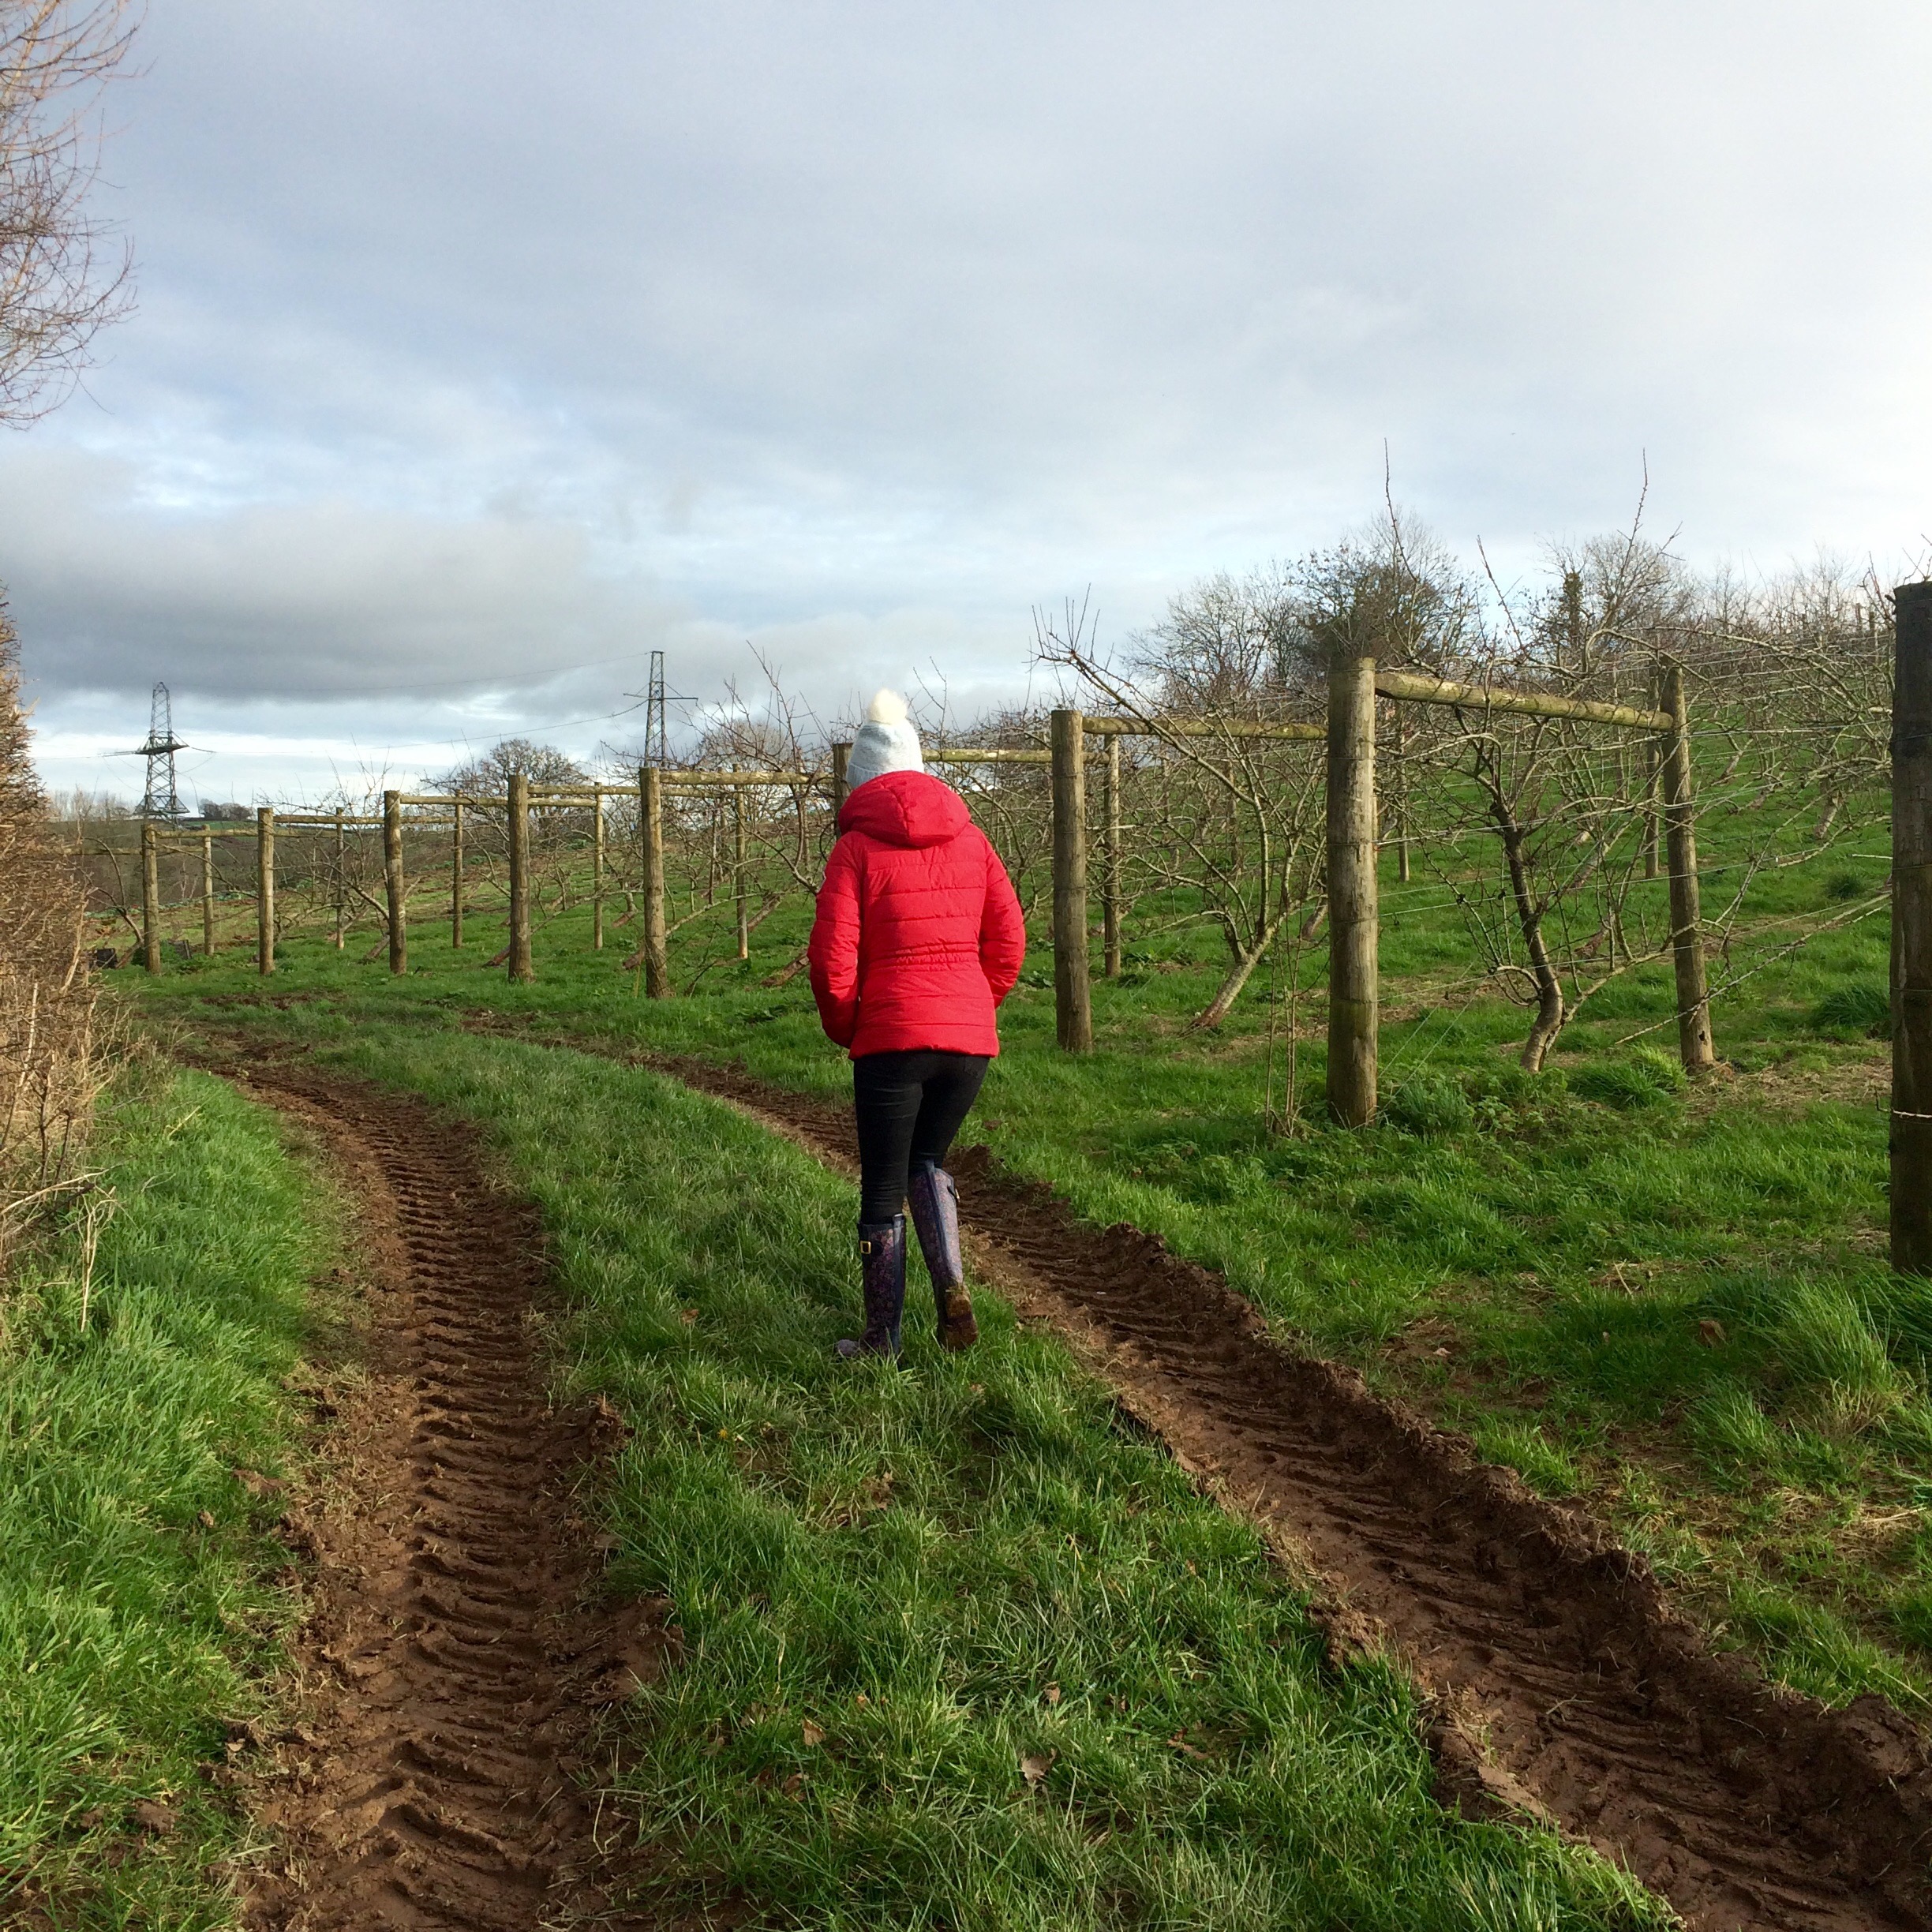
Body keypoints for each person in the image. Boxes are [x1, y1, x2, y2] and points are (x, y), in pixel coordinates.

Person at [808, 690, 1026, 1361]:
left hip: (892, 1040)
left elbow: (830, 956)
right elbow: (1010, 938)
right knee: (927, 1162)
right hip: (968, 1041)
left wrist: (853, 1026)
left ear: (860, 780)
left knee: (882, 1185)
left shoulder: (854, 850)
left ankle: (882, 1340)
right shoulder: (973, 838)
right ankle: (952, 1280)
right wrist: (971, 1005)